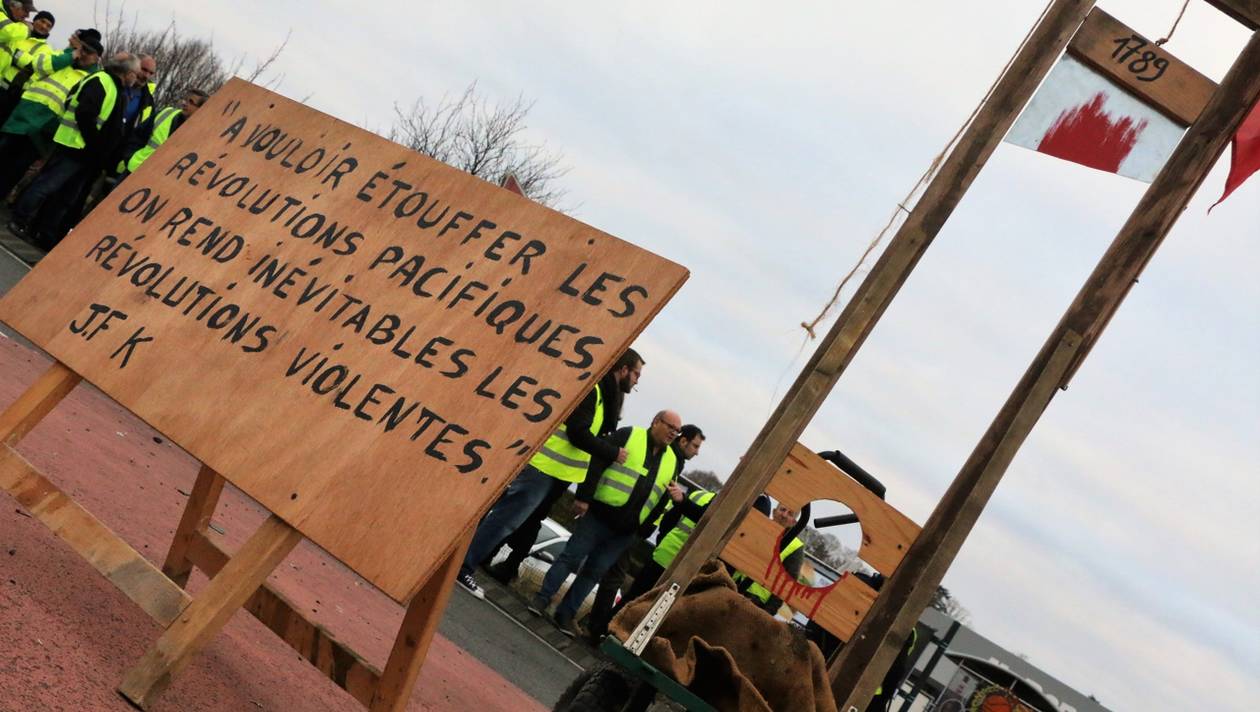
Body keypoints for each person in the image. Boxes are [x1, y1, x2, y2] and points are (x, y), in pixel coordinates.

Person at [456, 349, 644, 599]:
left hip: (553, 471)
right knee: (505, 519)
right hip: (543, 466)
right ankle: (462, 566)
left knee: (507, 519)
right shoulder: (595, 391)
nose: (637, 380)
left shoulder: (603, 397)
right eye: (636, 374)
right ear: (622, 369)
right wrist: (611, 452)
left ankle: (461, 564)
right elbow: (577, 432)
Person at [530, 410, 686, 636]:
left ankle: (565, 613)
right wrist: (583, 497)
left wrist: (645, 528)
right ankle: (541, 599)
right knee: (571, 557)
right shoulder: (629, 435)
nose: (674, 433)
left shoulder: (672, 461)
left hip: (626, 531)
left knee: (594, 572)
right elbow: (596, 463)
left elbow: (662, 497)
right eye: (670, 427)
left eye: (677, 430)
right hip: (599, 515)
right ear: (655, 422)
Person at [583, 424, 705, 639]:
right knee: (615, 575)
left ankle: (597, 624)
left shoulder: (674, 461)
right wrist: (647, 527)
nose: (697, 452)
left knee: (613, 574)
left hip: (640, 526)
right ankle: (598, 626)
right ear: (683, 441)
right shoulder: (670, 459)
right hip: (634, 524)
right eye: (695, 445)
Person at [9, 51, 137, 251]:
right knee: (47, 186)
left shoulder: (115, 88)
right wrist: (94, 144)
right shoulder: (101, 81)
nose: (135, 78)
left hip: (86, 154)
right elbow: (84, 113)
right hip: (75, 147)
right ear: (126, 71)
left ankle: (42, 233)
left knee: (65, 197)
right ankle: (19, 219)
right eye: (135, 73)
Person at [0, 28, 101, 201]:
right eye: (82, 49)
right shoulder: (59, 57)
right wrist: (71, 53)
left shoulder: (92, 78)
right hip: (23, 117)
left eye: (88, 52)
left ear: (97, 57)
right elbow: (38, 65)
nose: (83, 55)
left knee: (17, 168)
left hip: (44, 128)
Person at [123, 88, 207, 174]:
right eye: (185, 99)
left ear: (201, 108)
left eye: (191, 102)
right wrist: (129, 157)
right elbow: (138, 135)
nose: (184, 103)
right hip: (135, 169)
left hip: (160, 179)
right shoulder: (166, 113)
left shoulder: (202, 134)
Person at [0, 8, 53, 123]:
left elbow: (33, 65)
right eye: (42, 21)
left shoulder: (46, 49)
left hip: (10, 94)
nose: (44, 26)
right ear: (34, 21)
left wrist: (14, 54)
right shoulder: (18, 30)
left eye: (49, 26)